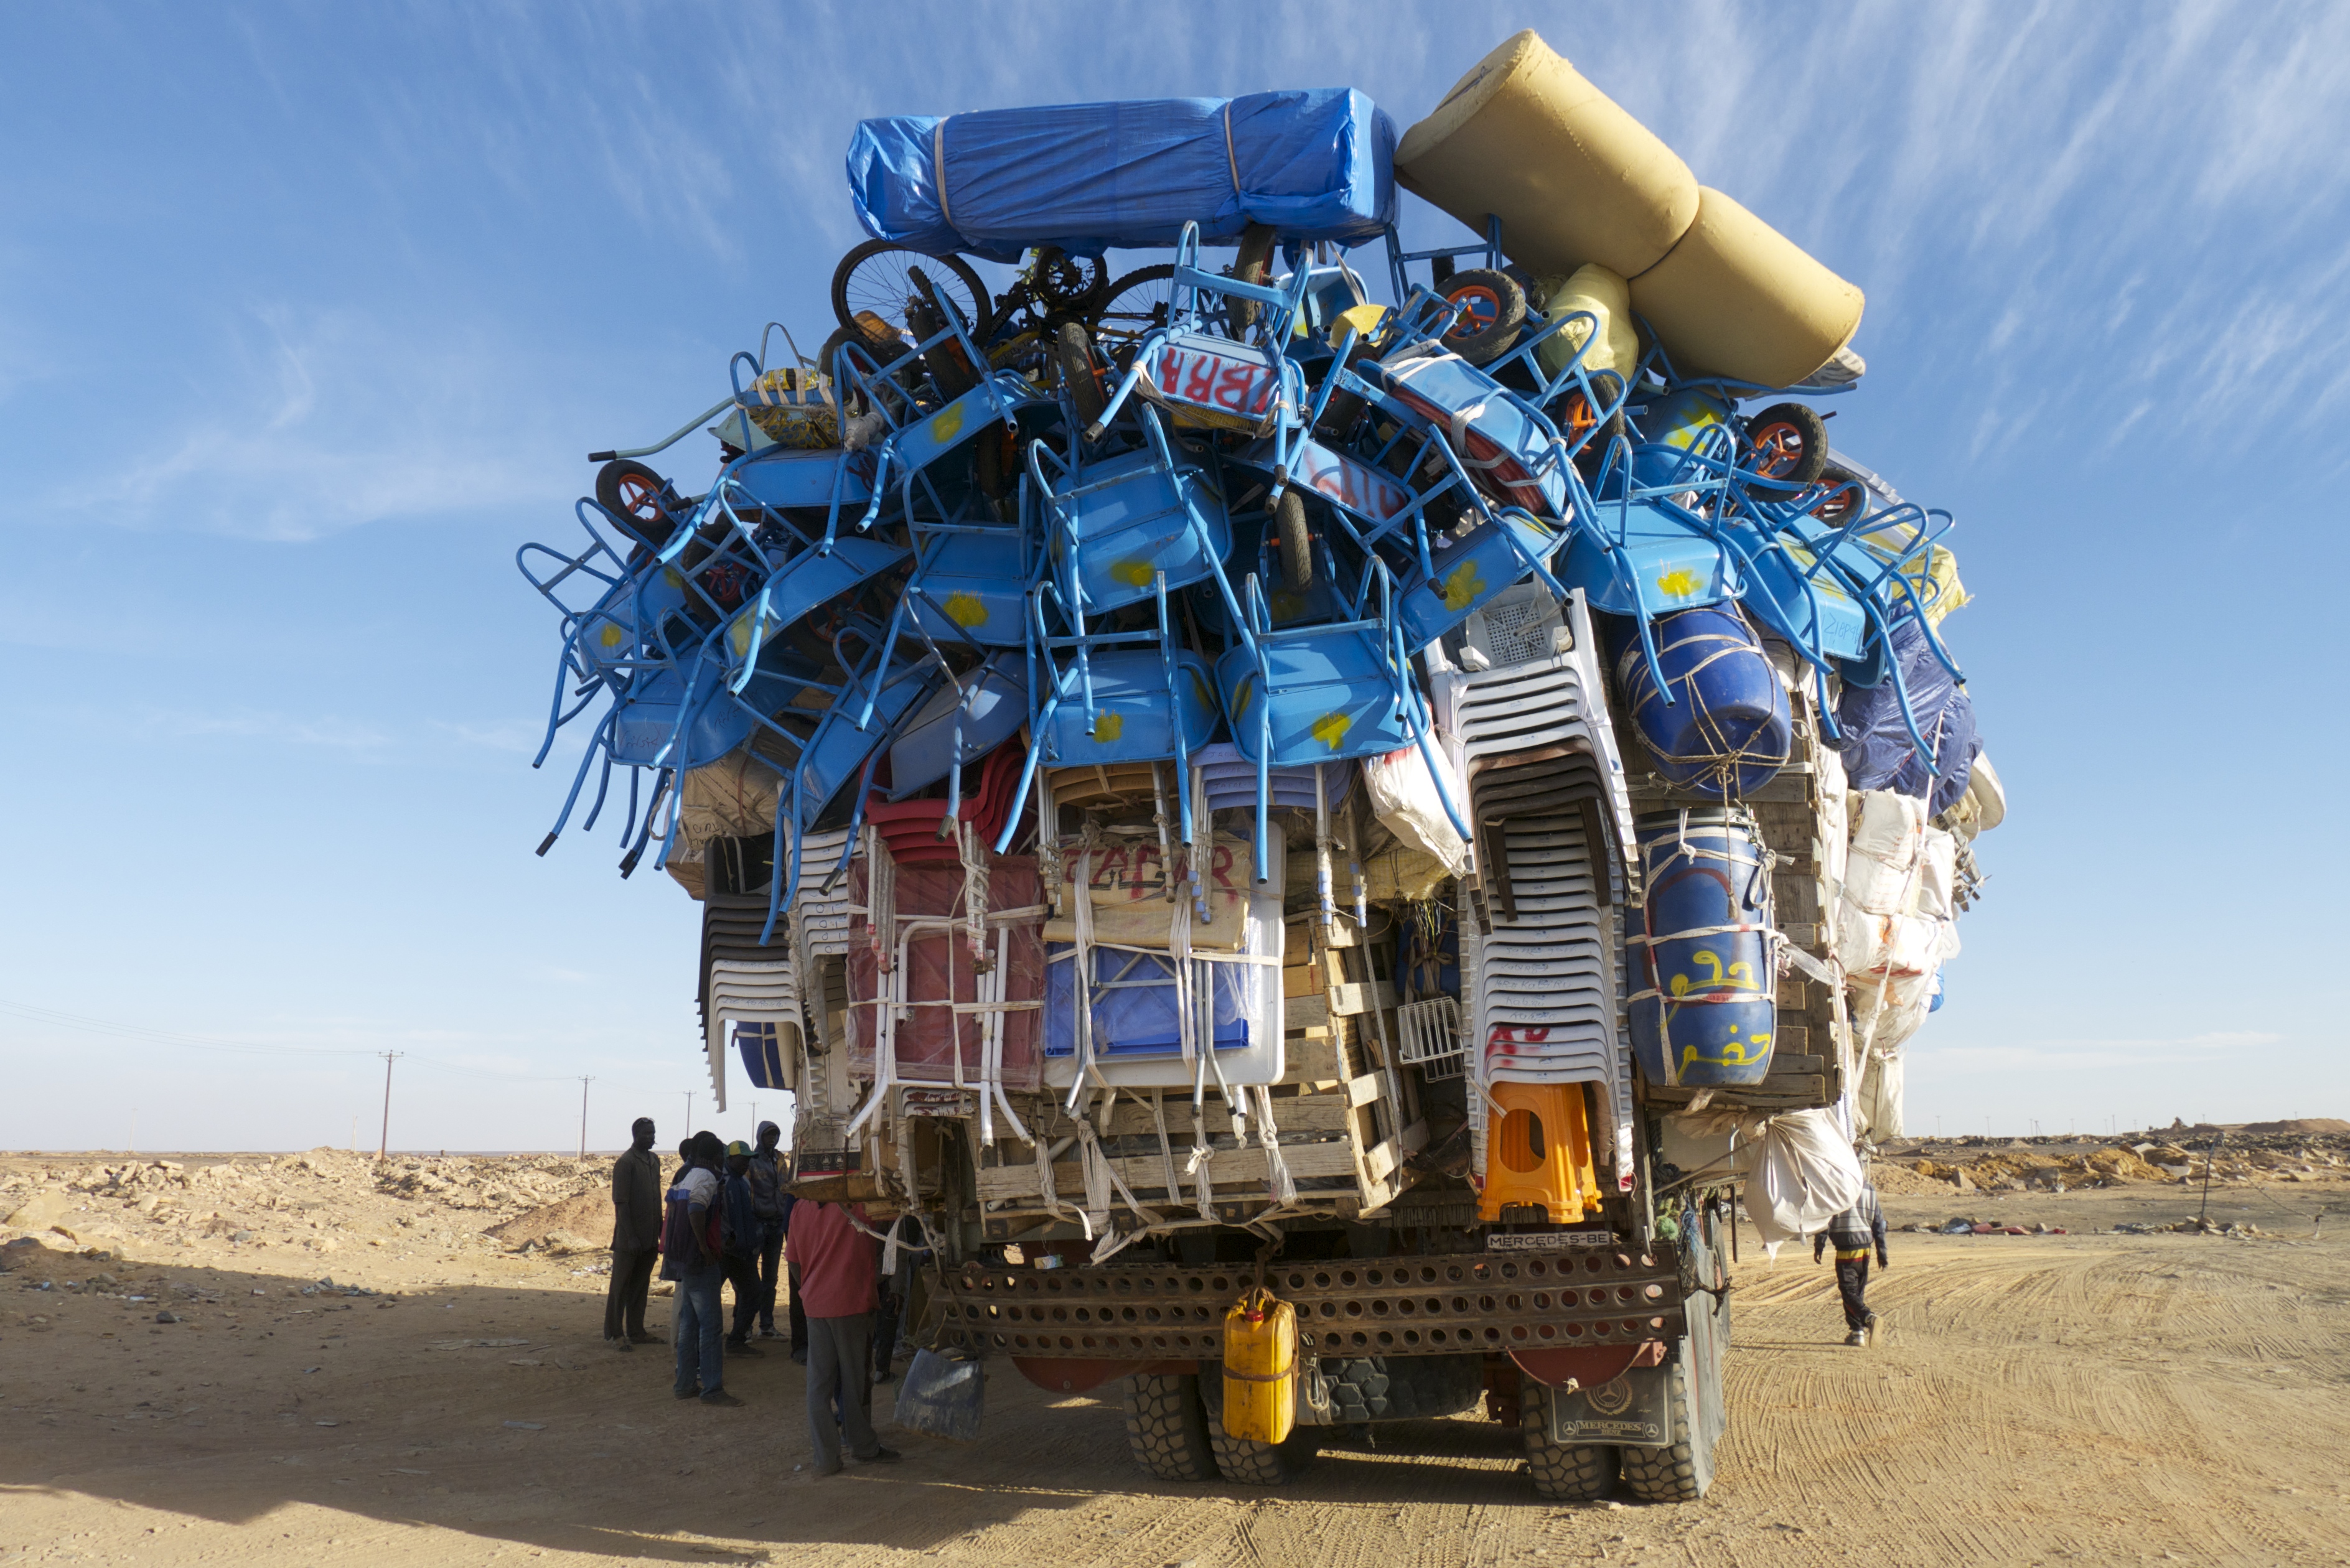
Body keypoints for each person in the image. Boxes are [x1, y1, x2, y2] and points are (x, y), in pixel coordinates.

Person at [789, 1197, 899, 1475]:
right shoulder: (860, 1205)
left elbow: (794, 1261)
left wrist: (810, 1289)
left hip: (816, 1305)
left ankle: (825, 1459)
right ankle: (862, 1446)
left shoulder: (801, 1206)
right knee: (855, 1382)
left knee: (819, 1386)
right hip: (851, 1304)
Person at [661, 1131, 742, 1406]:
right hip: (700, 1261)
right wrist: (706, 1249)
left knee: (689, 1326)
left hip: (684, 1259)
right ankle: (712, 1389)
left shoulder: (688, 1176)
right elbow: (697, 1209)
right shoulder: (707, 1178)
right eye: (721, 1154)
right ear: (715, 1157)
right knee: (710, 1327)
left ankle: (685, 1384)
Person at [603, 1116, 662, 1351]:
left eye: (653, 1133)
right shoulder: (626, 1163)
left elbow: (656, 1197)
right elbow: (621, 1203)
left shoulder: (654, 1160)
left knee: (640, 1286)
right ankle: (615, 1334)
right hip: (630, 1239)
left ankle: (637, 1331)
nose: (651, 1137)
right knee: (621, 1287)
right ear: (636, 1135)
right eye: (647, 1134)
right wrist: (632, 1237)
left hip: (650, 1237)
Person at [1814, 1175, 1889, 1346]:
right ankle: (1857, 1334)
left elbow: (1826, 1218)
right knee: (1857, 1292)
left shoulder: (1834, 1186)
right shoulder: (1869, 1188)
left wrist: (1819, 1244)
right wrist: (1882, 1253)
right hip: (1865, 1247)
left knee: (1848, 1291)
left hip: (1847, 1245)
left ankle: (1869, 1318)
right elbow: (1879, 1222)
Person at [744, 1122, 793, 1342]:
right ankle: (744, 1326)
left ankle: (767, 1325)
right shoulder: (752, 1161)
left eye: (775, 1135)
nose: (772, 1139)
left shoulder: (781, 1160)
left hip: (776, 1225)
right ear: (760, 1137)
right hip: (758, 1225)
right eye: (768, 1135)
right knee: (749, 1279)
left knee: (770, 1279)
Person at [720, 1141, 767, 1356]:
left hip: (743, 1251)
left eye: (749, 1159)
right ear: (730, 1158)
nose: (746, 1163)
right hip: (726, 1252)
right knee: (710, 1296)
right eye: (743, 1159)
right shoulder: (723, 1182)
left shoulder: (743, 1182)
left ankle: (736, 1339)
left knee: (753, 1293)